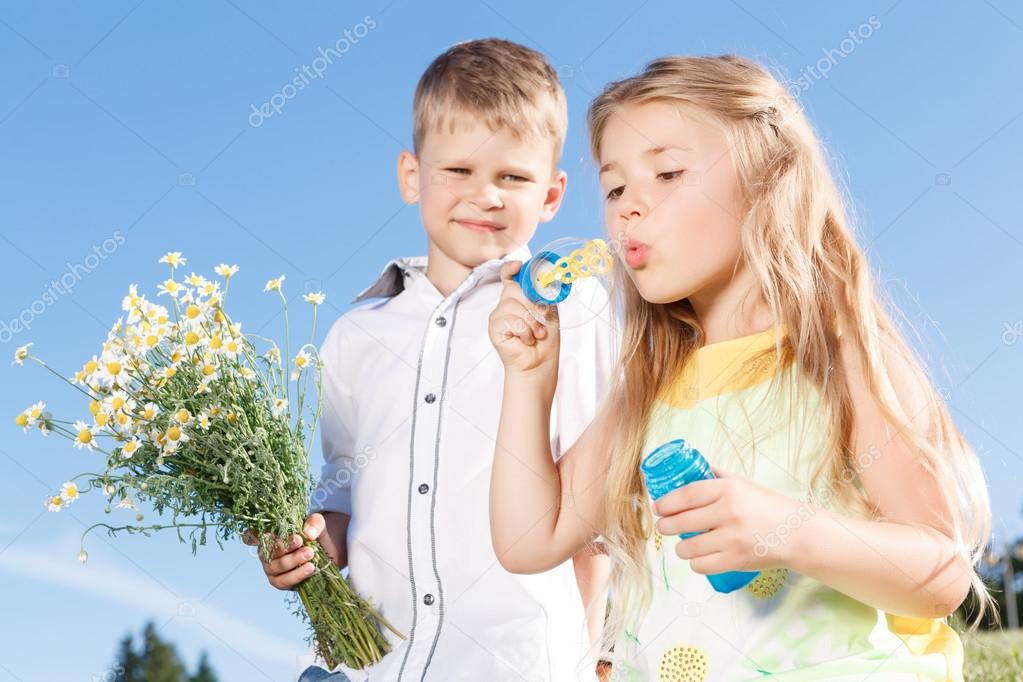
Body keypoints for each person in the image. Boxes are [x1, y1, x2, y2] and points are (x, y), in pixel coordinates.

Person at [487, 54, 992, 681]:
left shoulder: (840, 354)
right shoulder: (648, 391)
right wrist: (529, 378)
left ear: (768, 183)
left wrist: (789, 530)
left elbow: (942, 576)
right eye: (614, 188)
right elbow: (529, 539)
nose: (627, 209)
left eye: (667, 172)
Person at [246, 38, 614, 681]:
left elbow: (596, 520)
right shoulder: (357, 332)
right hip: (372, 667)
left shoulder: (572, 312)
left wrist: (592, 659)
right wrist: (302, 548)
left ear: (551, 195)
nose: (487, 195)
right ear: (412, 176)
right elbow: (345, 497)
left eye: (513, 177)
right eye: (459, 171)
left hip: (521, 665)